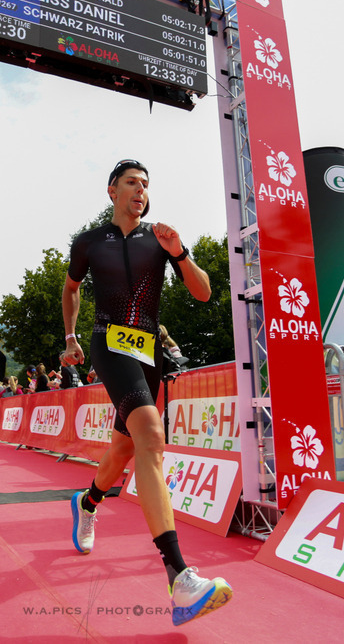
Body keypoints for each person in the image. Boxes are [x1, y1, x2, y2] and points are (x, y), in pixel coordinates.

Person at [61, 159, 231, 626]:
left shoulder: (159, 237)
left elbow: (203, 293)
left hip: (149, 350)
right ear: (113, 189)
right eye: (132, 183)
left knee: (122, 450)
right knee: (152, 439)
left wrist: (179, 254)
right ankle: (179, 577)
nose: (141, 190)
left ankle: (87, 502)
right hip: (107, 342)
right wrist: (71, 337)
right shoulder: (90, 242)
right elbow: (71, 288)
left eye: (146, 185)